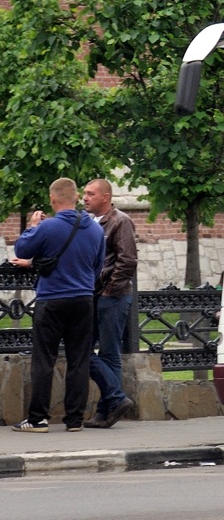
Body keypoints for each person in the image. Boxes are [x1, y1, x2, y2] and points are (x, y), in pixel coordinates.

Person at [10, 178, 105, 433]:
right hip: (83, 300)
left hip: (51, 299)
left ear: (53, 199)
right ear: (76, 198)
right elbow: (98, 266)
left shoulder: (47, 227)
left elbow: (22, 249)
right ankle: (75, 420)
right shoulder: (95, 229)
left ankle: (38, 419)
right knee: (79, 360)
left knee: (44, 359)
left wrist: (32, 226)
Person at [82, 178, 138, 428]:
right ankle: (115, 401)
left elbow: (128, 261)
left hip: (112, 296)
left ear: (105, 197)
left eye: (90, 194)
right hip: (93, 294)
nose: (85, 198)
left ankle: (107, 410)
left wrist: (109, 291)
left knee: (109, 352)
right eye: (84, 193)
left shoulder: (120, 221)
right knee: (82, 350)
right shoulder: (89, 222)